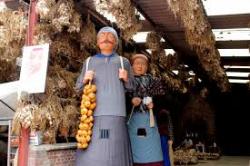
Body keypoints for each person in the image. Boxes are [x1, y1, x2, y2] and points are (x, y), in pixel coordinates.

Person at [75, 26, 134, 166]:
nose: (106, 37)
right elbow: (77, 87)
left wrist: (126, 79)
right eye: (102, 35)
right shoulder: (89, 61)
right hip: (93, 115)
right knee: (97, 149)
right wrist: (84, 79)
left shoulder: (123, 62)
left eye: (110, 35)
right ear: (97, 42)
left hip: (117, 114)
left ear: (116, 42)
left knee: (115, 150)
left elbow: (132, 88)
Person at [127, 53, 166, 166]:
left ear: (147, 67)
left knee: (153, 151)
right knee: (134, 150)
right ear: (132, 66)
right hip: (133, 121)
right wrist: (131, 102)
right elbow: (119, 100)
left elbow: (164, 101)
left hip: (150, 121)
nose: (140, 66)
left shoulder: (154, 81)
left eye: (143, 64)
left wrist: (154, 105)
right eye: (137, 63)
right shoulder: (127, 82)